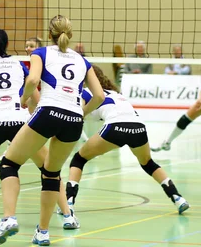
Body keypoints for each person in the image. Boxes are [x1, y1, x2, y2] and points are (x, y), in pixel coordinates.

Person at [0, 15, 105, 246]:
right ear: (69, 34)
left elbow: (32, 81)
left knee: (9, 163)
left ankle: (8, 218)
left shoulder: (40, 53)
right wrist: (81, 112)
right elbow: (100, 95)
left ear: (49, 33)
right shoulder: (83, 61)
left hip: (49, 112)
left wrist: (22, 99)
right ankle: (42, 232)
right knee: (51, 174)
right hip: (73, 119)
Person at [0, 29, 79, 231]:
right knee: (49, 169)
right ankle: (68, 216)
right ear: (7, 45)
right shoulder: (20, 65)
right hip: (19, 121)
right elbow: (36, 97)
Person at [68, 65, 189, 215]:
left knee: (78, 159)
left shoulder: (86, 93)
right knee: (148, 163)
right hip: (139, 128)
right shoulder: (116, 93)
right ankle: (177, 198)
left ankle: (68, 204)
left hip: (115, 127)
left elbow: (77, 114)